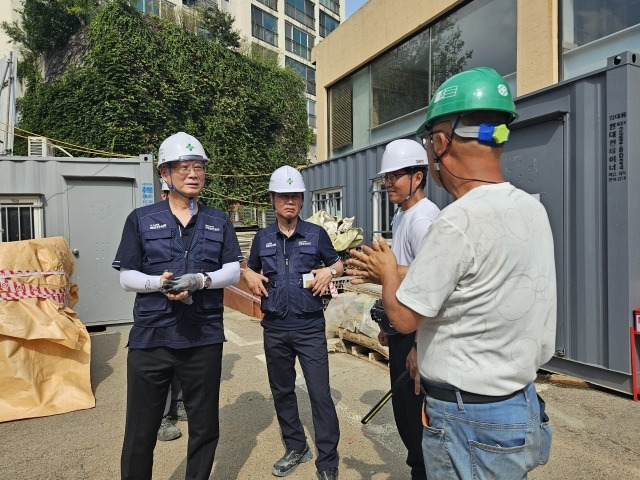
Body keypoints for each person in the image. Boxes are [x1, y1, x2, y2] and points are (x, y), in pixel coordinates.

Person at [348, 67, 556, 480]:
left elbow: (405, 317)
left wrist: (388, 271)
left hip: (470, 418)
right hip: (518, 403)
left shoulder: (456, 220)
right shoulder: (532, 208)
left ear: (441, 144)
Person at [112, 132, 243, 480]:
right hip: (151, 339)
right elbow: (127, 277)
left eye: (198, 167)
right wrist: (160, 284)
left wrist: (201, 280)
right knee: (140, 432)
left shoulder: (217, 220)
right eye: (183, 167)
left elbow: (232, 270)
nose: (193, 174)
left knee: (204, 429)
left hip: (203, 339)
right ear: (164, 175)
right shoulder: (140, 219)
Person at [347, 139, 439, 480]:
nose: (388, 183)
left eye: (395, 176)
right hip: (403, 330)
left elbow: (434, 281)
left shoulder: (424, 219)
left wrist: (418, 344)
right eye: (386, 177)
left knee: (420, 428)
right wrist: (390, 324)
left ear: (418, 175)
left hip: (419, 334)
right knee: (405, 419)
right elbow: (403, 277)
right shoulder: (403, 216)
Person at [242, 165, 342, 480]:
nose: (290, 201)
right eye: (284, 196)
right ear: (273, 200)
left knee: (319, 394)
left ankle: (328, 460)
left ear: (301, 200)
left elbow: (339, 263)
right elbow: (251, 269)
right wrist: (248, 274)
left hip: (310, 327)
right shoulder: (262, 238)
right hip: (274, 328)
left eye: (295, 196)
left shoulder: (316, 234)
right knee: (282, 390)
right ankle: (296, 446)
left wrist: (330, 271)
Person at [155, 179, 188, 443]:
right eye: (167, 192)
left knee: (181, 360)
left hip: (187, 304)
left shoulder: (191, 223)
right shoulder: (150, 224)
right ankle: (161, 417)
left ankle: (176, 403)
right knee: (163, 363)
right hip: (159, 307)